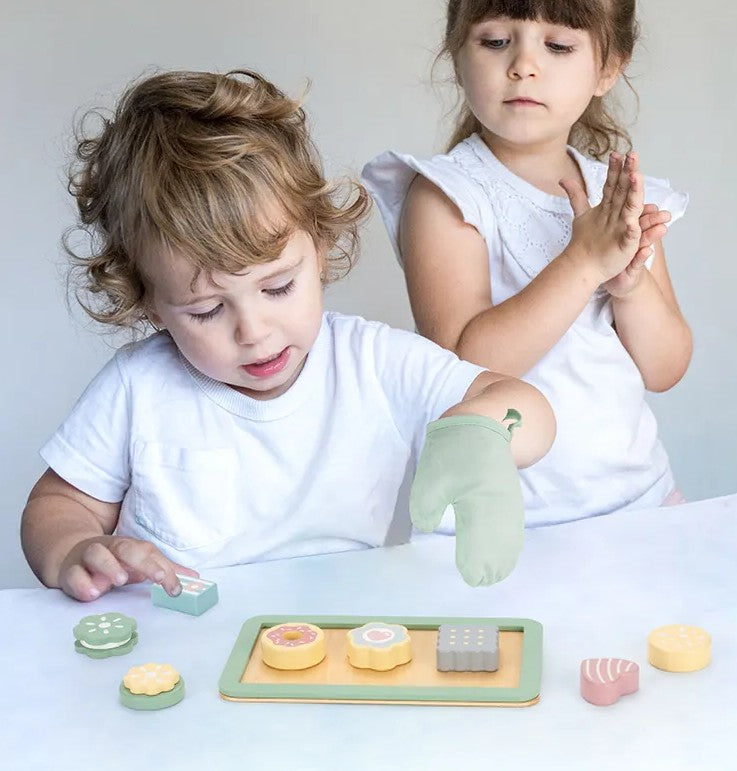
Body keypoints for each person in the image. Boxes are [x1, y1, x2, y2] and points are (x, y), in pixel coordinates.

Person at [20, 69, 556, 602]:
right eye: (207, 311)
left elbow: (523, 405)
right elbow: (59, 505)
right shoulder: (137, 388)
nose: (253, 332)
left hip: (355, 634)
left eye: (277, 288)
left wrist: (479, 433)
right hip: (185, 643)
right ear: (150, 303)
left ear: (319, 248)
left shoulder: (372, 362)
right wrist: (74, 550)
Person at [362, 0, 692, 525]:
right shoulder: (447, 195)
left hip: (642, 501)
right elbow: (461, 365)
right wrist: (583, 262)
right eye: (496, 41)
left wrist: (630, 288)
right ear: (457, 54)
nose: (523, 65)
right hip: (515, 522)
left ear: (608, 68)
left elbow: (665, 369)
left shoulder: (618, 197)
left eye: (557, 46)